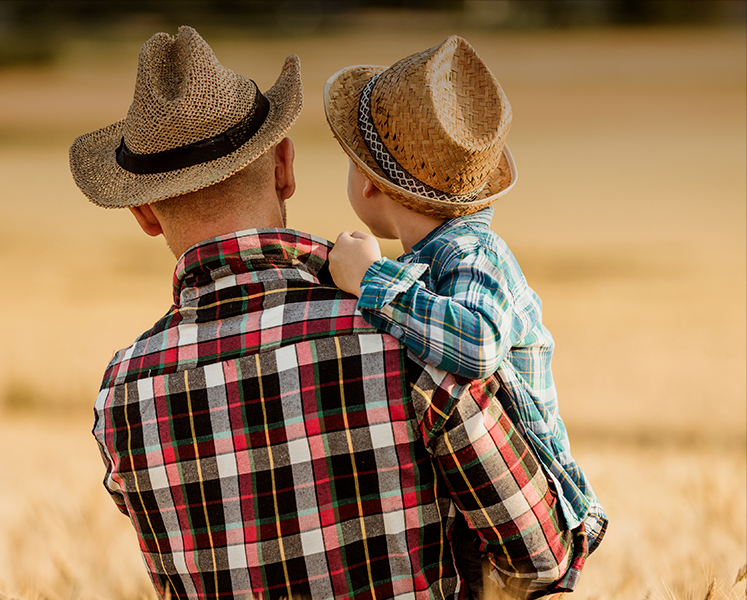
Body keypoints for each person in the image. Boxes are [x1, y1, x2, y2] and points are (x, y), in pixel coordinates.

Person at [69, 26, 597, 599]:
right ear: (284, 166)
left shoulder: (122, 398)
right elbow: (544, 560)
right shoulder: (407, 331)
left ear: (144, 213)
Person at [323, 35, 607, 558]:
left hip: (538, 511)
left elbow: (477, 345)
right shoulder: (436, 256)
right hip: (484, 506)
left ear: (367, 181)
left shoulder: (475, 254)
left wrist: (371, 281)